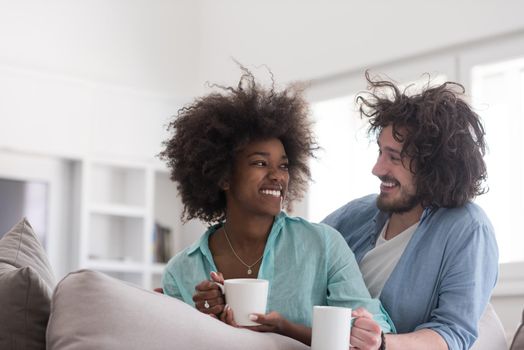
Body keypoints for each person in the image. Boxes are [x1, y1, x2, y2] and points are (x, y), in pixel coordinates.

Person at [160, 66, 394, 348]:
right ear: (223, 176)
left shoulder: (323, 245)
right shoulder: (182, 271)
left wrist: (290, 329)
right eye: (260, 163)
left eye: (283, 165)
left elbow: (369, 328)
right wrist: (205, 323)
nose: (277, 175)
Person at [322, 72, 499, 350]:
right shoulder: (357, 214)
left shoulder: (468, 229)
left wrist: (380, 344)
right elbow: (298, 252)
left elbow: (452, 334)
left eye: (393, 157)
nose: (377, 169)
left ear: (434, 165)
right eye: (379, 152)